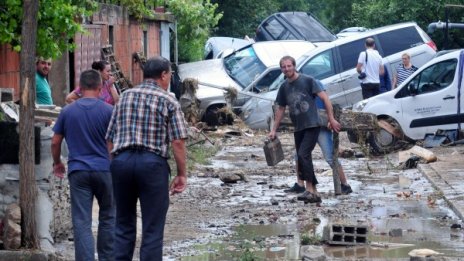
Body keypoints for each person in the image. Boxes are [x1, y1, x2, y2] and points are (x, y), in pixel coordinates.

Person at [106, 56, 189, 260]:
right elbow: (177, 141)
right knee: (152, 227)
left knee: (123, 225)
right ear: (163, 75)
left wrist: (115, 164)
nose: (170, 78)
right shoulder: (168, 99)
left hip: (122, 162)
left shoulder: (125, 97)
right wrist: (182, 174)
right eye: (170, 74)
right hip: (152, 165)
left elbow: (109, 138)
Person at [51, 69, 115, 261]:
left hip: (78, 172)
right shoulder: (109, 111)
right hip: (105, 170)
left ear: (80, 88)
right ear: (99, 86)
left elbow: (55, 141)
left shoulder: (67, 111)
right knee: (108, 217)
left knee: (82, 222)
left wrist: (57, 163)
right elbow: (115, 143)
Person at [269, 55, 341, 204]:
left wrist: (331, 118)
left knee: (303, 154)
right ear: (281, 69)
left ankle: (309, 189)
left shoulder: (308, 80)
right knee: (302, 157)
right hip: (298, 127)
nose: (287, 69)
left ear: (294, 66)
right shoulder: (284, 87)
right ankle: (314, 192)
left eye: (289, 66)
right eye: (284, 67)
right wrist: (273, 130)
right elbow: (281, 109)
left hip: (312, 124)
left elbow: (325, 99)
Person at [285, 80, 352, 196]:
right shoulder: (295, 89)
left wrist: (330, 118)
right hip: (307, 126)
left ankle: (345, 184)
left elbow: (326, 101)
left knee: (330, 157)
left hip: (321, 126)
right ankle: (300, 184)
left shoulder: (313, 84)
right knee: (299, 155)